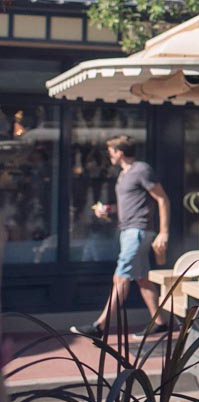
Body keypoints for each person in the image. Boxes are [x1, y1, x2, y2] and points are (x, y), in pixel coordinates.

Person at [70, 136, 171, 339]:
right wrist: (109, 209)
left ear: (120, 153)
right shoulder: (124, 175)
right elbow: (130, 204)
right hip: (127, 231)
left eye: (111, 151)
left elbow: (162, 199)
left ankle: (100, 326)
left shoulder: (141, 169)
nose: (110, 155)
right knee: (142, 279)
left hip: (139, 231)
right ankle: (159, 322)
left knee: (121, 277)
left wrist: (164, 232)